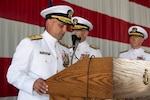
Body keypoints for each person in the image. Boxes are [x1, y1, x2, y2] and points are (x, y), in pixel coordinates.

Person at [6, 5, 74, 100]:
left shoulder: (65, 49)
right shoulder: (31, 43)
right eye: (61, 25)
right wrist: (32, 83)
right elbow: (13, 74)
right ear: (49, 22)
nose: (65, 30)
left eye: (67, 26)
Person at [68, 16, 102, 100]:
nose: (74, 33)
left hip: (86, 93)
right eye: (73, 30)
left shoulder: (93, 51)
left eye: (77, 30)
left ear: (86, 33)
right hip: (68, 92)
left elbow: (98, 75)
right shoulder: (67, 50)